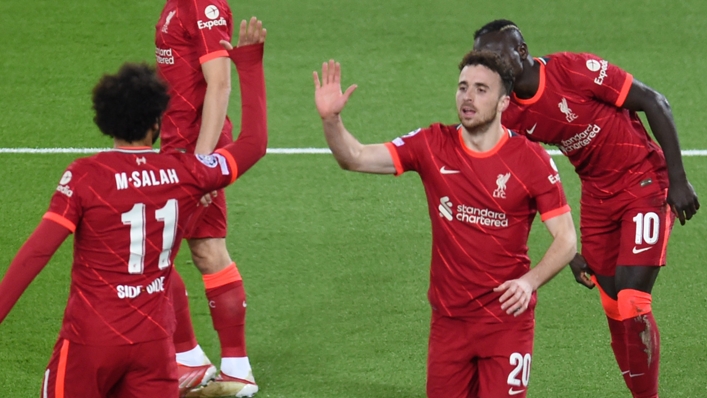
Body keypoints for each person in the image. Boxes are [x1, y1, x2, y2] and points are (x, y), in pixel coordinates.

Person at [0, 23, 265, 398]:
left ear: (105, 120)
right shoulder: (183, 172)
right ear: (157, 121)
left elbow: (37, 253)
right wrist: (251, 65)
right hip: (154, 349)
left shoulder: (85, 177)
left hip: (90, 343)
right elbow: (254, 145)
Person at [313, 51, 576, 397]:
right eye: (463, 87)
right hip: (449, 323)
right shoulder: (432, 144)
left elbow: (567, 240)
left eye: (481, 89)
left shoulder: (531, 160)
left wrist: (529, 283)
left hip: (506, 323)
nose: (468, 97)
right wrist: (332, 120)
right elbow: (355, 157)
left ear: (502, 103)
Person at [473, 19, 700, 398]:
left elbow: (653, 101)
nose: (491, 65)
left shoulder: (573, 70)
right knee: (613, 308)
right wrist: (569, 250)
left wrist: (677, 178)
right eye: (484, 59)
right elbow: (527, 184)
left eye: (498, 56)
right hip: (597, 198)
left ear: (521, 52)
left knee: (632, 301)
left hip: (643, 180)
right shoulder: (508, 114)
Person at [155, 0, 265, 394]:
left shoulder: (205, 5)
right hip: (176, 147)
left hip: (195, 149)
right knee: (183, 248)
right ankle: (190, 359)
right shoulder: (175, 5)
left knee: (187, 249)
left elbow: (220, 84)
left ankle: (230, 367)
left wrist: (202, 163)